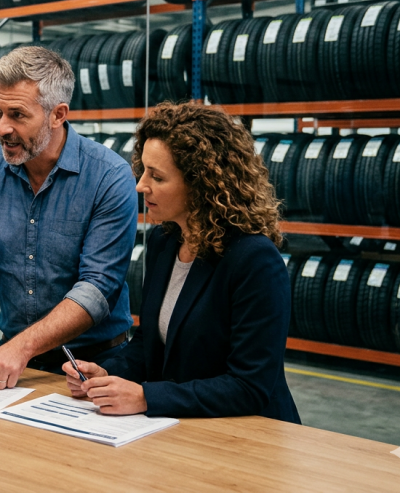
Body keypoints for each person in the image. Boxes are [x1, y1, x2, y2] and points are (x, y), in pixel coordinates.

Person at [0, 46, 138, 393]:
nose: (2, 128)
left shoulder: (109, 177)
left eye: (17, 115)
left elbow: (97, 288)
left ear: (58, 114)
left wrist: (21, 346)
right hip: (15, 362)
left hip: (97, 366)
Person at [63, 102, 301, 423]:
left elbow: (249, 386)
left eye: (157, 177)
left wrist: (147, 397)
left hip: (248, 434)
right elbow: (150, 345)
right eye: (143, 169)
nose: (140, 185)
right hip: (184, 425)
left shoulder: (254, 260)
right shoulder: (164, 242)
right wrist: (106, 372)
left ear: (201, 184)